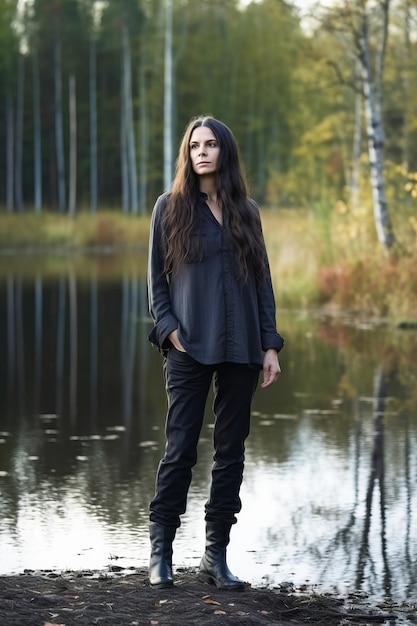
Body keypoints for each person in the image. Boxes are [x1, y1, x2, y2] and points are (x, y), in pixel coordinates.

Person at [147, 115, 284, 592]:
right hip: (188, 349)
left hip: (242, 347)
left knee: (231, 454)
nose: (201, 151)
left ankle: (215, 556)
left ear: (224, 151)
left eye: (210, 144)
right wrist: (170, 332)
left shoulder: (247, 210)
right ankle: (161, 553)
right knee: (181, 448)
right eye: (194, 145)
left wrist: (270, 344)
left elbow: (263, 282)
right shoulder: (170, 208)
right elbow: (156, 285)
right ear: (187, 154)